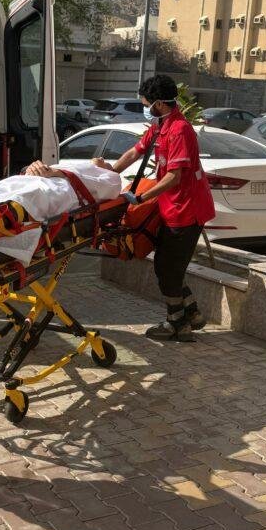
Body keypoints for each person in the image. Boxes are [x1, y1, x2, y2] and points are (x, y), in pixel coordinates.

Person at [93, 74, 215, 342]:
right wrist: (109, 174)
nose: (145, 109)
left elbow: (174, 177)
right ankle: (192, 314)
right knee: (169, 265)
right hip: (172, 207)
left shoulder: (179, 130)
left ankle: (177, 323)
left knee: (166, 268)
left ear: (159, 103)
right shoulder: (161, 126)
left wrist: (141, 197)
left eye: (146, 104)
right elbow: (134, 152)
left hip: (187, 210)